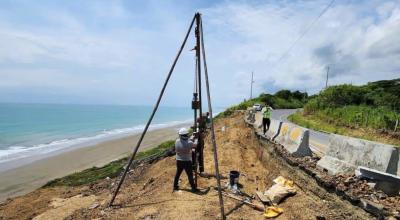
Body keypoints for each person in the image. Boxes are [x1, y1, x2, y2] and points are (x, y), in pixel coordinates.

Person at [173, 127, 198, 192]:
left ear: (180, 135)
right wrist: (196, 138)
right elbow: (195, 145)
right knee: (190, 175)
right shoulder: (189, 143)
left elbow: (185, 141)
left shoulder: (177, 141)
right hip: (187, 161)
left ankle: (175, 186)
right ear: (186, 135)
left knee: (178, 174)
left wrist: (192, 137)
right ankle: (193, 188)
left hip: (178, 160)